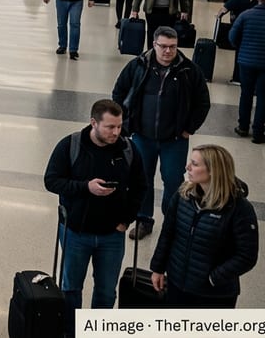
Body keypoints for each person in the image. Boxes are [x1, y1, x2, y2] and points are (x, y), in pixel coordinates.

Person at [43, 99, 146, 326]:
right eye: (110, 127)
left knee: (107, 291)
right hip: (75, 233)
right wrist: (85, 187)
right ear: (93, 123)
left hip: (112, 235)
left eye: (119, 126)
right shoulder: (70, 146)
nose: (116, 132)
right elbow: (51, 180)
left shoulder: (128, 149)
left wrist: (126, 220)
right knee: (71, 289)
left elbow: (141, 187)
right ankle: (71, 330)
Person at [112, 26, 210, 240]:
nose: (168, 51)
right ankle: (144, 219)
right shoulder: (138, 66)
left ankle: (172, 221)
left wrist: (188, 129)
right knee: (142, 179)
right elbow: (119, 91)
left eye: (172, 47)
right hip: (142, 137)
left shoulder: (189, 70)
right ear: (154, 44)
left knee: (174, 180)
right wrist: (124, 124)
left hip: (174, 140)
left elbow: (203, 102)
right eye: (163, 46)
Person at [149, 144, 259, 308]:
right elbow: (168, 233)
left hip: (214, 295)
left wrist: (213, 278)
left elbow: (246, 256)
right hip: (177, 285)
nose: (187, 167)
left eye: (194, 164)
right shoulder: (183, 195)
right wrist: (157, 268)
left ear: (213, 170)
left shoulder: (240, 209)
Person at [230, 0, 265, 142]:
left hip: (246, 61)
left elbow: (232, 37)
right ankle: (258, 132)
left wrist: (242, 48)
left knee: (246, 94)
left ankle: (243, 127)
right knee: (263, 97)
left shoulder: (245, 15)